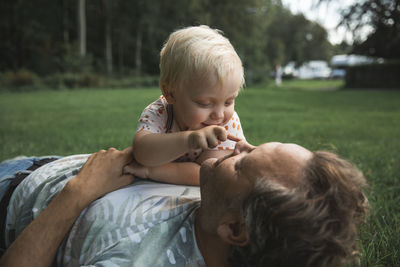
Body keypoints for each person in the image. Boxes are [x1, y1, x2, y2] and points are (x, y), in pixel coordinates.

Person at [0, 141, 368, 267]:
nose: (240, 145)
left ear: (236, 228)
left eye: (242, 163)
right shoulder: (219, 202)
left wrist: (79, 191)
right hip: (39, 165)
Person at [127, 25, 246, 186]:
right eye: (205, 103)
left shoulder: (227, 124)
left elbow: (208, 174)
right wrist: (189, 140)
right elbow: (142, 152)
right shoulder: (160, 113)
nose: (219, 114)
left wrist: (152, 171)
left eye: (228, 102)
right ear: (170, 93)